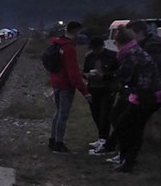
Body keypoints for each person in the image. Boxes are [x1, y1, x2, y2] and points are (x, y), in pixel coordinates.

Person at [109, 26, 161, 172]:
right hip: (146, 95)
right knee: (132, 127)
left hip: (146, 97)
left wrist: (111, 82)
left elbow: (123, 76)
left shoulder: (131, 54)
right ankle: (127, 160)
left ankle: (127, 160)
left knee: (125, 126)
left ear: (119, 42)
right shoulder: (134, 51)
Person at [47, 21, 92, 154]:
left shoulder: (57, 43)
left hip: (55, 82)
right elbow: (73, 74)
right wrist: (85, 92)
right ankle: (59, 144)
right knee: (63, 114)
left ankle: (52, 139)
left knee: (58, 112)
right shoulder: (69, 48)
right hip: (66, 86)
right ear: (76, 31)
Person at [82, 36, 117, 148]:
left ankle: (104, 137)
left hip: (107, 88)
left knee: (105, 114)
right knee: (96, 113)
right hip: (93, 88)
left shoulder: (112, 56)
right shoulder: (89, 57)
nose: (95, 51)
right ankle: (101, 136)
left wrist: (103, 76)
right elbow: (84, 71)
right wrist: (87, 75)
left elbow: (117, 72)